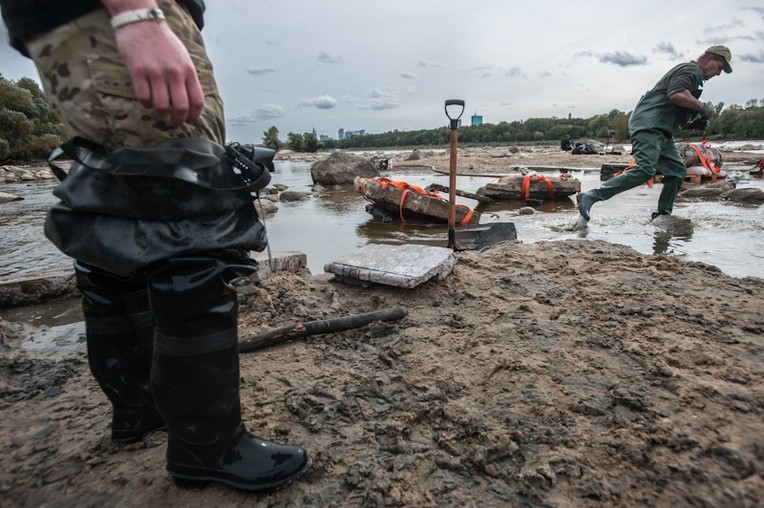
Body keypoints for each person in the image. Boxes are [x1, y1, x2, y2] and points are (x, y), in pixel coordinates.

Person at [0, 0, 310, 492]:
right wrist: (137, 15)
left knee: (123, 214)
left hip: (76, 23)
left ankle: (140, 408)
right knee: (187, 213)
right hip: (112, 18)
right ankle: (207, 447)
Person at [576, 46, 732, 221]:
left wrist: (692, 124)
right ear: (708, 59)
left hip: (662, 132)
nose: (718, 74)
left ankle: (663, 214)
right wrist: (702, 107)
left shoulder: (692, 77)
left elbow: (671, 111)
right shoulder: (691, 70)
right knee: (645, 169)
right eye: (719, 67)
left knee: (678, 171)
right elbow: (676, 94)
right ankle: (591, 196)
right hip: (649, 125)